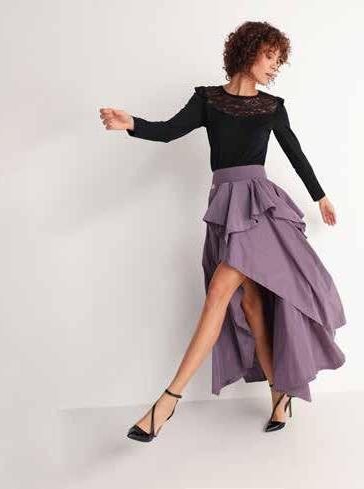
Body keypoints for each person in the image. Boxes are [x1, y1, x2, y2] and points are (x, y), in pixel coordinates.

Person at [98, 21, 347, 442]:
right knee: (251, 306)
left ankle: (167, 401)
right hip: (226, 206)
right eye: (270, 57)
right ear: (248, 51)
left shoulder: (272, 106)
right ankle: (280, 394)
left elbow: (294, 151)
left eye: (279, 61)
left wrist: (320, 196)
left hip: (260, 208)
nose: (275, 67)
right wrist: (132, 123)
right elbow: (168, 131)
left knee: (219, 291)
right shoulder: (207, 100)